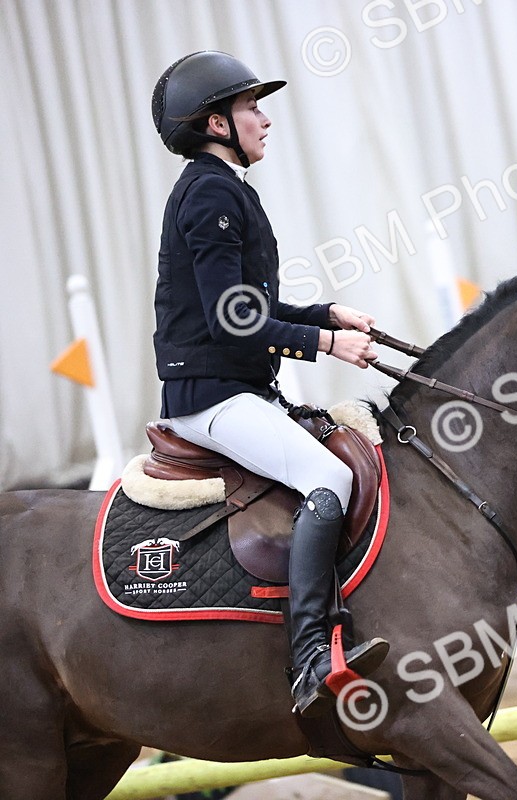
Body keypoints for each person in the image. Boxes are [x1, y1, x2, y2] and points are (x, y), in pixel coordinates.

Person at [150, 51, 389, 717]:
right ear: (217, 123)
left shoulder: (222, 188)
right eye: (252, 107)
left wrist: (324, 314)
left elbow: (246, 305)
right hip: (210, 398)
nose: (265, 119)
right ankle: (312, 654)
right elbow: (233, 317)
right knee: (330, 480)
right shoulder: (209, 191)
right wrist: (328, 344)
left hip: (237, 390)